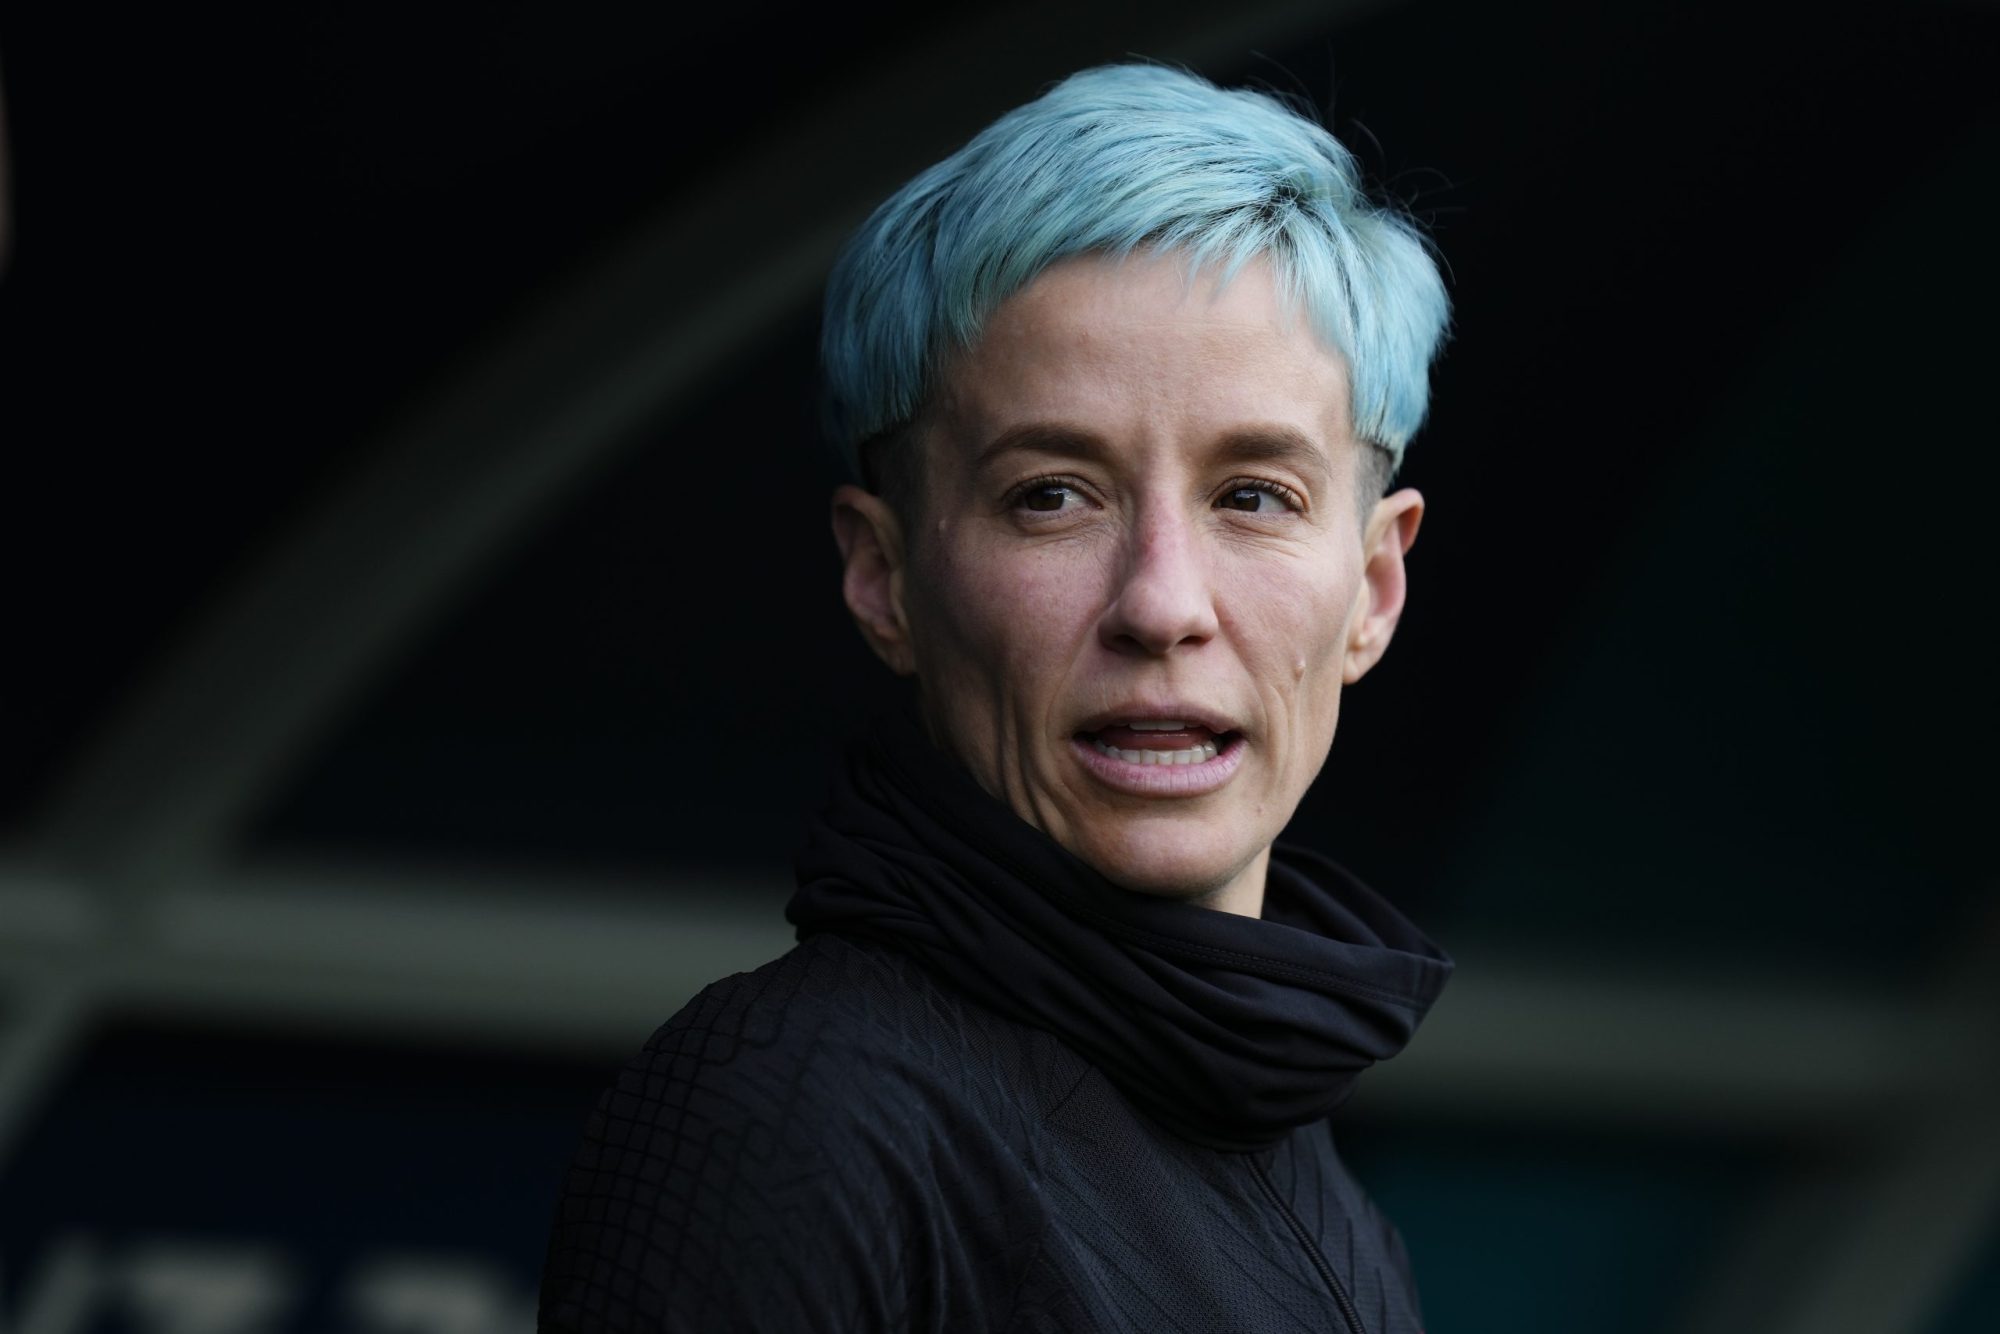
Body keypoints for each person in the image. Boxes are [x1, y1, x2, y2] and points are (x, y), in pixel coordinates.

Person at [540, 62, 1454, 1334]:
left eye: (1253, 494)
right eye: (1051, 494)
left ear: (1371, 586)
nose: (1160, 603)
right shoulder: (795, 1110)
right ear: (884, 574)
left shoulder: (1343, 1225)